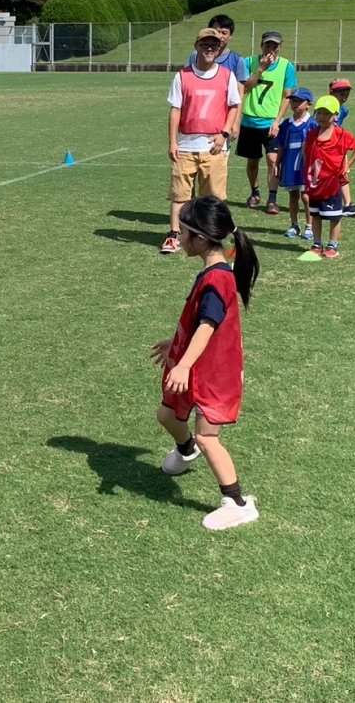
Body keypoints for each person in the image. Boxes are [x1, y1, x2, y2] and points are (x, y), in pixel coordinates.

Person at [150, 195, 261, 531]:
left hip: (213, 374)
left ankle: (238, 503)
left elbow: (208, 325)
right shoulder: (213, 273)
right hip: (199, 367)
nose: (179, 239)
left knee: (208, 437)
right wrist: (176, 343)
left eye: (183, 233)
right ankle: (185, 451)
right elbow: (200, 321)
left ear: (200, 238)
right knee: (167, 414)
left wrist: (183, 365)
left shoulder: (216, 281)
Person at [160, 28, 242, 254]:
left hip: (214, 147)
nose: (209, 48)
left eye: (214, 45)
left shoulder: (227, 75)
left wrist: (224, 133)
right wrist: (172, 142)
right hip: (186, 144)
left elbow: (234, 106)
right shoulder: (182, 76)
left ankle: (214, 237)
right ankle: (174, 236)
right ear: (196, 46)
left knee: (214, 198)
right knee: (180, 195)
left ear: (219, 49)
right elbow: (175, 110)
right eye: (205, 44)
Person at [237, 30, 297, 215]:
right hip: (249, 121)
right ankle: (254, 193)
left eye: (275, 45)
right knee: (252, 161)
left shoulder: (287, 66)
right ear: (261, 45)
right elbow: (244, 88)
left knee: (273, 160)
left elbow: (288, 96)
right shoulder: (248, 62)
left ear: (280, 47)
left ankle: (272, 198)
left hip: (271, 123)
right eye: (267, 44)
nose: (271, 48)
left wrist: (278, 121)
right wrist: (260, 69)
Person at [303, 96, 355, 259]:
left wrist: (347, 165)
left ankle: (332, 245)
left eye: (327, 113)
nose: (322, 116)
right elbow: (306, 152)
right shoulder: (312, 135)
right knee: (315, 215)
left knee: (334, 217)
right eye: (320, 113)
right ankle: (317, 244)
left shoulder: (341, 134)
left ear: (336, 115)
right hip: (315, 184)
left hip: (331, 184)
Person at [276, 87, 317, 241]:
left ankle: (310, 226)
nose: (295, 104)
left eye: (299, 101)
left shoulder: (313, 124)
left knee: (306, 196)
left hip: (306, 166)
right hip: (289, 165)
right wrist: (277, 164)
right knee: (293, 196)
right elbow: (281, 145)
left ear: (308, 104)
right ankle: (294, 224)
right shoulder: (286, 125)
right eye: (293, 100)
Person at [186, 14, 249, 99]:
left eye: (224, 33)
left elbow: (239, 94)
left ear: (230, 36)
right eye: (216, 31)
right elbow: (186, 84)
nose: (220, 36)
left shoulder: (238, 60)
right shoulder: (196, 55)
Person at [328, 78, 355, 217]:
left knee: (342, 173)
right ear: (332, 93)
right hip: (326, 146)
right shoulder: (326, 106)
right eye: (341, 94)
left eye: (346, 95)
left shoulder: (344, 110)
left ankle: (348, 205)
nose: (344, 98)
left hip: (337, 145)